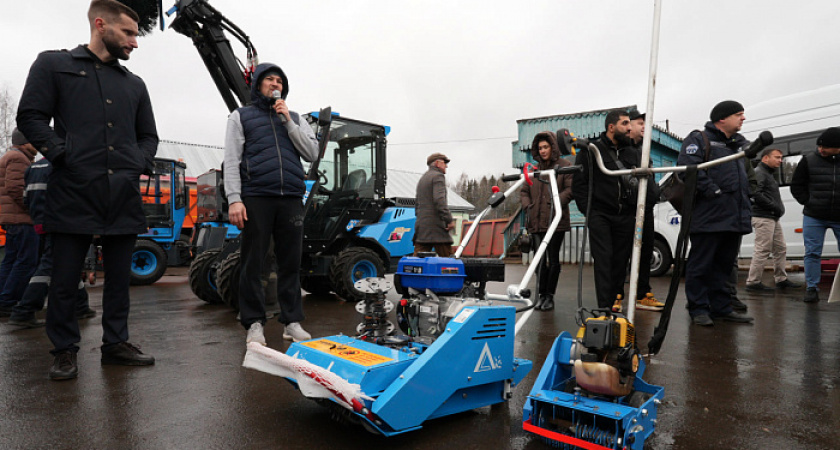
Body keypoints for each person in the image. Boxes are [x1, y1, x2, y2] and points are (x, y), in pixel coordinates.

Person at [17, 0, 158, 380]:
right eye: (128, 33)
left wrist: (138, 161)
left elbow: (149, 136)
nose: (134, 42)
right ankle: (64, 350)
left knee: (119, 280)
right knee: (64, 280)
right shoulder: (54, 65)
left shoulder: (134, 84)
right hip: (72, 191)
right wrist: (63, 154)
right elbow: (29, 116)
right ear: (100, 25)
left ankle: (115, 344)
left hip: (122, 194)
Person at [224, 62, 319, 346]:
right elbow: (232, 160)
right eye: (269, 79)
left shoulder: (296, 119)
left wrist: (288, 122)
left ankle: (291, 322)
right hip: (256, 197)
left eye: (279, 80)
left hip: (290, 197)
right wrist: (234, 199)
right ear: (258, 85)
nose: (274, 84)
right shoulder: (241, 117)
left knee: (290, 263)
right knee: (253, 262)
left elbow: (312, 153)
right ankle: (254, 323)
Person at [677, 101, 754, 326]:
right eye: (739, 114)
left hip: (733, 216)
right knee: (701, 264)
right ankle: (698, 308)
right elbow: (687, 171)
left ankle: (721, 308)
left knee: (724, 266)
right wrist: (714, 191)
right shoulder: (699, 140)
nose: (743, 118)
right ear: (722, 118)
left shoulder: (738, 146)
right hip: (709, 216)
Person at [8, 157, 97, 328]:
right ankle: (24, 310)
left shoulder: (33, 167)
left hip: (41, 222)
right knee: (48, 266)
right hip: (62, 223)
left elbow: (26, 199)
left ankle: (80, 305)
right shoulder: (66, 165)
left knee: (69, 263)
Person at [572, 110, 637, 311]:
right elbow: (579, 185)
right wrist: (589, 212)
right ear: (611, 127)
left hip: (625, 215)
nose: (629, 128)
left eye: (630, 124)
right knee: (604, 261)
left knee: (620, 262)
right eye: (625, 123)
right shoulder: (591, 151)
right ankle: (604, 308)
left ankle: (615, 301)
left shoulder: (632, 152)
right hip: (600, 215)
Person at [520, 131, 573, 311]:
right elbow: (524, 190)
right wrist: (529, 206)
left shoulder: (564, 166)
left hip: (556, 221)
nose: (543, 151)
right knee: (539, 261)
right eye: (540, 148)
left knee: (553, 260)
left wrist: (554, 202)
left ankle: (550, 296)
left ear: (553, 147)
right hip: (536, 221)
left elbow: (570, 189)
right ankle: (541, 294)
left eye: (546, 147)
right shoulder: (534, 170)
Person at [790, 127, 840, 303]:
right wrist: (808, 201)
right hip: (814, 215)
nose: (821, 150)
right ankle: (812, 288)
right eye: (819, 146)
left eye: (825, 147)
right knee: (812, 252)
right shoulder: (808, 160)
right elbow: (796, 185)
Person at [745, 147, 800, 291]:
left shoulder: (768, 173)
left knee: (780, 248)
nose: (780, 160)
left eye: (781, 158)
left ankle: (781, 279)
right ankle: (753, 282)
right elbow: (755, 193)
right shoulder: (760, 173)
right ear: (765, 158)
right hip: (763, 217)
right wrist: (773, 206)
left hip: (771, 217)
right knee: (763, 249)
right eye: (777, 157)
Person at [626, 109, 665, 312]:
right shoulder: (621, 150)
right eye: (640, 123)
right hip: (628, 209)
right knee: (624, 253)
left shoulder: (644, 149)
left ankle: (643, 294)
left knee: (646, 250)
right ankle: (616, 297)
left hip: (646, 208)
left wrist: (655, 192)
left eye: (645, 123)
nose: (644, 127)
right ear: (628, 124)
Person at [0, 128, 39, 317]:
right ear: (25, 142)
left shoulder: (13, 156)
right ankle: (8, 300)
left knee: (11, 260)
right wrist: (33, 208)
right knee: (25, 261)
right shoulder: (18, 158)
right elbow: (16, 188)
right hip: (22, 219)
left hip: (13, 219)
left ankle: (4, 299)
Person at [414, 153, 455, 258]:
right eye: (445, 162)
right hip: (436, 228)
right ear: (437, 163)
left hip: (422, 228)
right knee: (450, 264)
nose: (446, 166)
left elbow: (417, 205)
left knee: (416, 263)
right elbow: (439, 201)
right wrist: (449, 220)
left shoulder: (423, 178)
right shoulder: (438, 176)